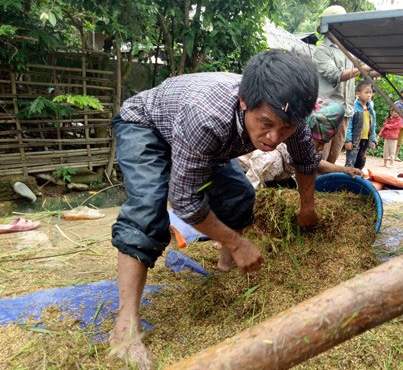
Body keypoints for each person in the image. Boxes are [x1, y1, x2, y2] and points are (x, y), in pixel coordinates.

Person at [109, 49, 323, 369]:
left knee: (239, 198)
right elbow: (185, 201)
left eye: (286, 129)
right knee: (148, 210)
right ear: (243, 102)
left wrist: (307, 208)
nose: (274, 138)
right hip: (147, 127)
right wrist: (238, 243)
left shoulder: (291, 116)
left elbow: (306, 161)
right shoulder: (207, 116)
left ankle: (223, 273)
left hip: (204, 146)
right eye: (265, 124)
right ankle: (125, 327)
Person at [238, 98, 363, 189]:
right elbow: (250, 185)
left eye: (325, 143)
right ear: (305, 137)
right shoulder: (270, 158)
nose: (321, 148)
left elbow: (316, 163)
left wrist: (344, 170)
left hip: (273, 177)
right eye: (319, 142)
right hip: (243, 175)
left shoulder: (298, 151)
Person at [312, 5, 379, 165]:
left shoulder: (348, 51)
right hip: (326, 112)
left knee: (334, 154)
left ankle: (325, 186)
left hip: (346, 111)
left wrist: (381, 67)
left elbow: (365, 72)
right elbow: (337, 75)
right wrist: (365, 67)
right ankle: (312, 184)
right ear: (331, 27)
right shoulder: (322, 50)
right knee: (320, 153)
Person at [344, 81, 377, 169]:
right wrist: (348, 140)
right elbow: (348, 125)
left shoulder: (371, 111)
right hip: (355, 141)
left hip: (365, 140)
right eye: (366, 92)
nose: (369, 95)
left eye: (370, 92)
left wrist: (373, 140)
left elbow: (373, 126)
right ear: (358, 93)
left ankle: (357, 180)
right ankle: (347, 181)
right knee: (351, 162)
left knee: (361, 161)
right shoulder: (354, 108)